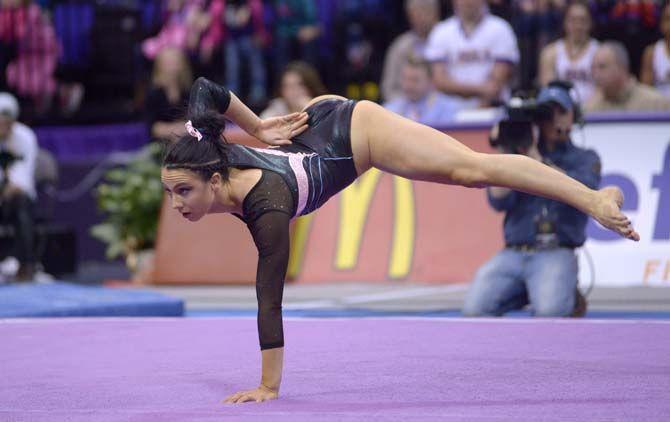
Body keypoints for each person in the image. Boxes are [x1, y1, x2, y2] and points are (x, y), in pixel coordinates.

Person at [161, 77, 638, 404]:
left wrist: (268, 387)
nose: (178, 203)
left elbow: (270, 299)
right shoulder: (206, 145)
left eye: (185, 191)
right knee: (470, 170)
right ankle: (592, 196)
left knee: (472, 170)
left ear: (216, 179)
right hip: (312, 133)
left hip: (355, 135)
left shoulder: (268, 210)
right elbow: (206, 90)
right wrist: (258, 126)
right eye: (171, 192)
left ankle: (593, 200)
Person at [463, 81, 597, 318]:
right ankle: (534, 289)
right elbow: (498, 201)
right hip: (513, 252)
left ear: (573, 116)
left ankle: (561, 288)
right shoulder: (517, 157)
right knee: (474, 309)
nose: (553, 119)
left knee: (550, 311)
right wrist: (504, 153)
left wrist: (536, 161)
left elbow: (584, 193)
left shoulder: (585, 158)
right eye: (546, 113)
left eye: (560, 112)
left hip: (555, 251)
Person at [424, 0, 519, 111]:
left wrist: (476, 101)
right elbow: (439, 81)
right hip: (446, 111)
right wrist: (481, 89)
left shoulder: (501, 29)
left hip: (492, 108)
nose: (468, 2)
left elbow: (495, 85)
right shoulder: (441, 31)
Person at [0, 92, 37, 281]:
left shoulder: (25, 137)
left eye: (7, 121)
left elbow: (23, 179)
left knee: (22, 203)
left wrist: (9, 187)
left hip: (15, 198)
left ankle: (26, 266)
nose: (3, 125)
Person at [539, 0, 599, 103]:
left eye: (583, 20)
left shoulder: (599, 52)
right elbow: (549, 91)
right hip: (561, 111)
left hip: (592, 111)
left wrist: (587, 109)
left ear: (591, 23)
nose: (578, 25)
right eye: (573, 20)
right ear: (565, 22)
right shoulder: (550, 53)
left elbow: (602, 90)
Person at [380, 0, 441, 102]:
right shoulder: (400, 46)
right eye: (416, 13)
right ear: (409, 16)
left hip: (442, 108)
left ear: (436, 13)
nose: (421, 17)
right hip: (404, 110)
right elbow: (388, 88)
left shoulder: (447, 40)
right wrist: (406, 106)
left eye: (425, 11)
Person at [585, 41, 670, 112]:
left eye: (602, 67)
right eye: (593, 68)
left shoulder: (656, 103)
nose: (595, 74)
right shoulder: (589, 108)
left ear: (622, 68)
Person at [383, 58, 457, 126]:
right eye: (405, 79)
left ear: (430, 82)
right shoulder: (390, 109)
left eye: (415, 80)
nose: (408, 85)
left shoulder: (447, 108)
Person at [144, 47, 192, 141]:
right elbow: (152, 127)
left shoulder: (189, 92)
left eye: (176, 62)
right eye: (168, 63)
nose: (172, 67)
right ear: (159, 66)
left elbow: (197, 122)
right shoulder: (153, 95)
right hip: (160, 144)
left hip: (186, 143)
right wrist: (174, 130)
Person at [260, 61, 327, 118]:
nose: (294, 91)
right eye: (287, 86)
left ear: (310, 86)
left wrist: (310, 110)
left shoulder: (325, 110)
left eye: (299, 84)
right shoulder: (272, 114)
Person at [640, 1, 670, 100]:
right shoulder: (651, 53)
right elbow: (646, 91)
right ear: (662, 25)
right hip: (660, 112)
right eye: (668, 19)